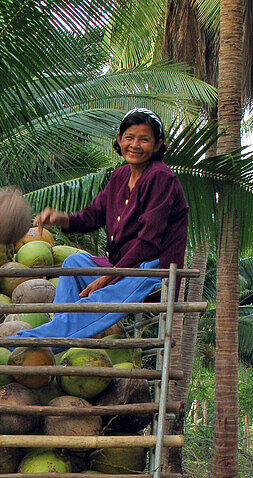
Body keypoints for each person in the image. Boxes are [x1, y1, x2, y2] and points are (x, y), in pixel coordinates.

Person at [17, 108, 189, 342]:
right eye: (129, 137)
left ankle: (23, 343)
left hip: (151, 270)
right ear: (119, 139)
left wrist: (107, 277)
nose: (135, 145)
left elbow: (148, 243)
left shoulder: (160, 177)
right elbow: (92, 216)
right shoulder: (119, 176)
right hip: (121, 267)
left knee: (90, 306)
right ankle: (58, 341)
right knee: (73, 263)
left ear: (158, 145)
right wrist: (61, 218)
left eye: (144, 139)